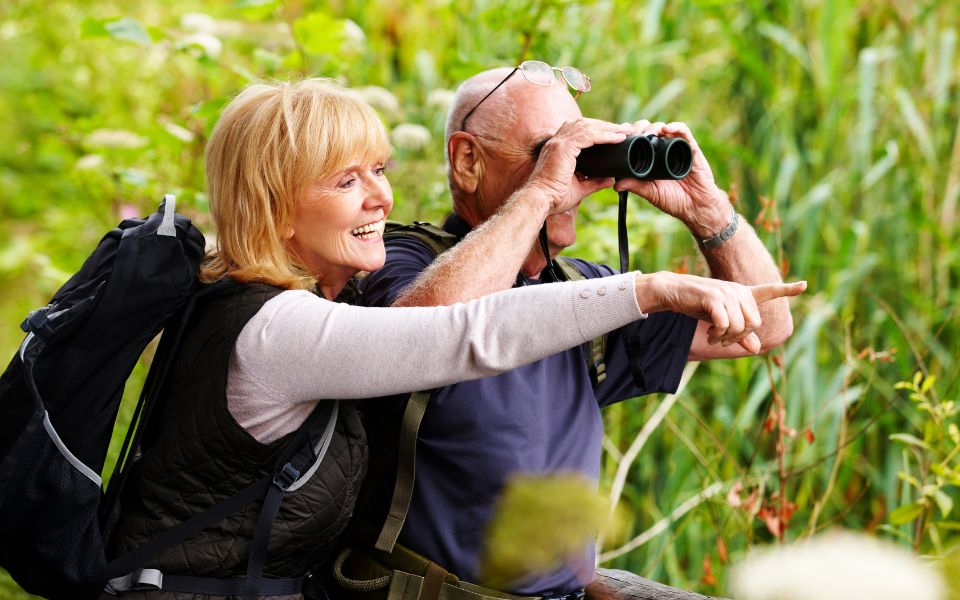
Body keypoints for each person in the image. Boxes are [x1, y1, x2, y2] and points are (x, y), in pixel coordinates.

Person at [99, 78, 775, 600]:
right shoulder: (290, 321)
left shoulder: (300, 301)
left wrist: (707, 209)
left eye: (380, 170)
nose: (381, 197)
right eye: (348, 179)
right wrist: (642, 286)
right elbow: (446, 333)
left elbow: (764, 325)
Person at [355, 62, 806, 598]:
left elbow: (768, 324)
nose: (571, 172)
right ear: (467, 160)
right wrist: (543, 190)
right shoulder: (401, 263)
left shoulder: (582, 290)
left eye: (578, 152)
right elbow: (421, 336)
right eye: (547, 149)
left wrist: (707, 210)